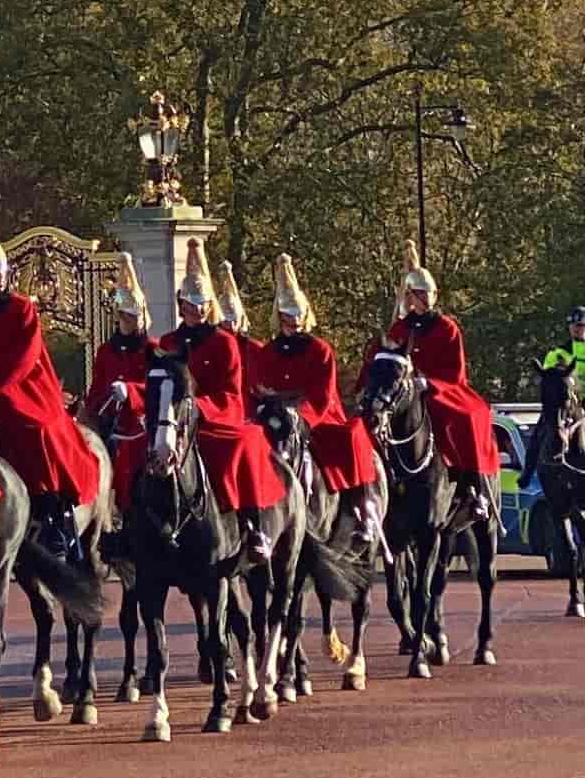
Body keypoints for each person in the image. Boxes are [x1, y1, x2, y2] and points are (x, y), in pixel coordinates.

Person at [0, 207, 100, 563]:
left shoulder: (21, 309)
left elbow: (25, 358)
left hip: (20, 389)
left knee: (39, 430)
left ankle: (55, 511)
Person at [135, 239, 284, 564]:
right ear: (181, 305)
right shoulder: (168, 342)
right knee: (136, 451)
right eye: (191, 303)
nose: (197, 310)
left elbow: (230, 392)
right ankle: (132, 525)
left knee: (244, 445)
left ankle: (253, 523)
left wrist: (199, 408)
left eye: (202, 304)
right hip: (175, 419)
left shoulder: (224, 343)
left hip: (215, 419)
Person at [248, 254, 381, 546]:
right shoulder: (268, 351)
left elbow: (321, 395)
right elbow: (259, 386)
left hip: (317, 415)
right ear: (279, 317)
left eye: (297, 316)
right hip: (274, 414)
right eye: (287, 316)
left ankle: (361, 509)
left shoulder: (319, 349)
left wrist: (299, 414)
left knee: (349, 439)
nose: (293, 322)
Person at [366, 239, 500, 521]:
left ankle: (473, 486)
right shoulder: (399, 327)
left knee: (468, 417)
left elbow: (455, 372)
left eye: (424, 294)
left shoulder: (446, 328)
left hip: (441, 389)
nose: (420, 299)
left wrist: (427, 383)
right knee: (374, 416)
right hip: (402, 391)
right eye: (415, 294)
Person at [82, 253, 157, 516]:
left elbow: (157, 387)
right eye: (125, 315)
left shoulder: (153, 349)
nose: (129, 321)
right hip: (110, 420)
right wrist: (91, 408)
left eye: (134, 316)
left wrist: (132, 392)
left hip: (140, 421)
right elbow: (97, 388)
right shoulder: (106, 351)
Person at [519, 305, 585, 491]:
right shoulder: (558, 353)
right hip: (566, 402)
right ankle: (528, 471)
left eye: (581, 325)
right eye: (574, 325)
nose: (577, 329)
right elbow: (550, 377)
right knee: (540, 431)